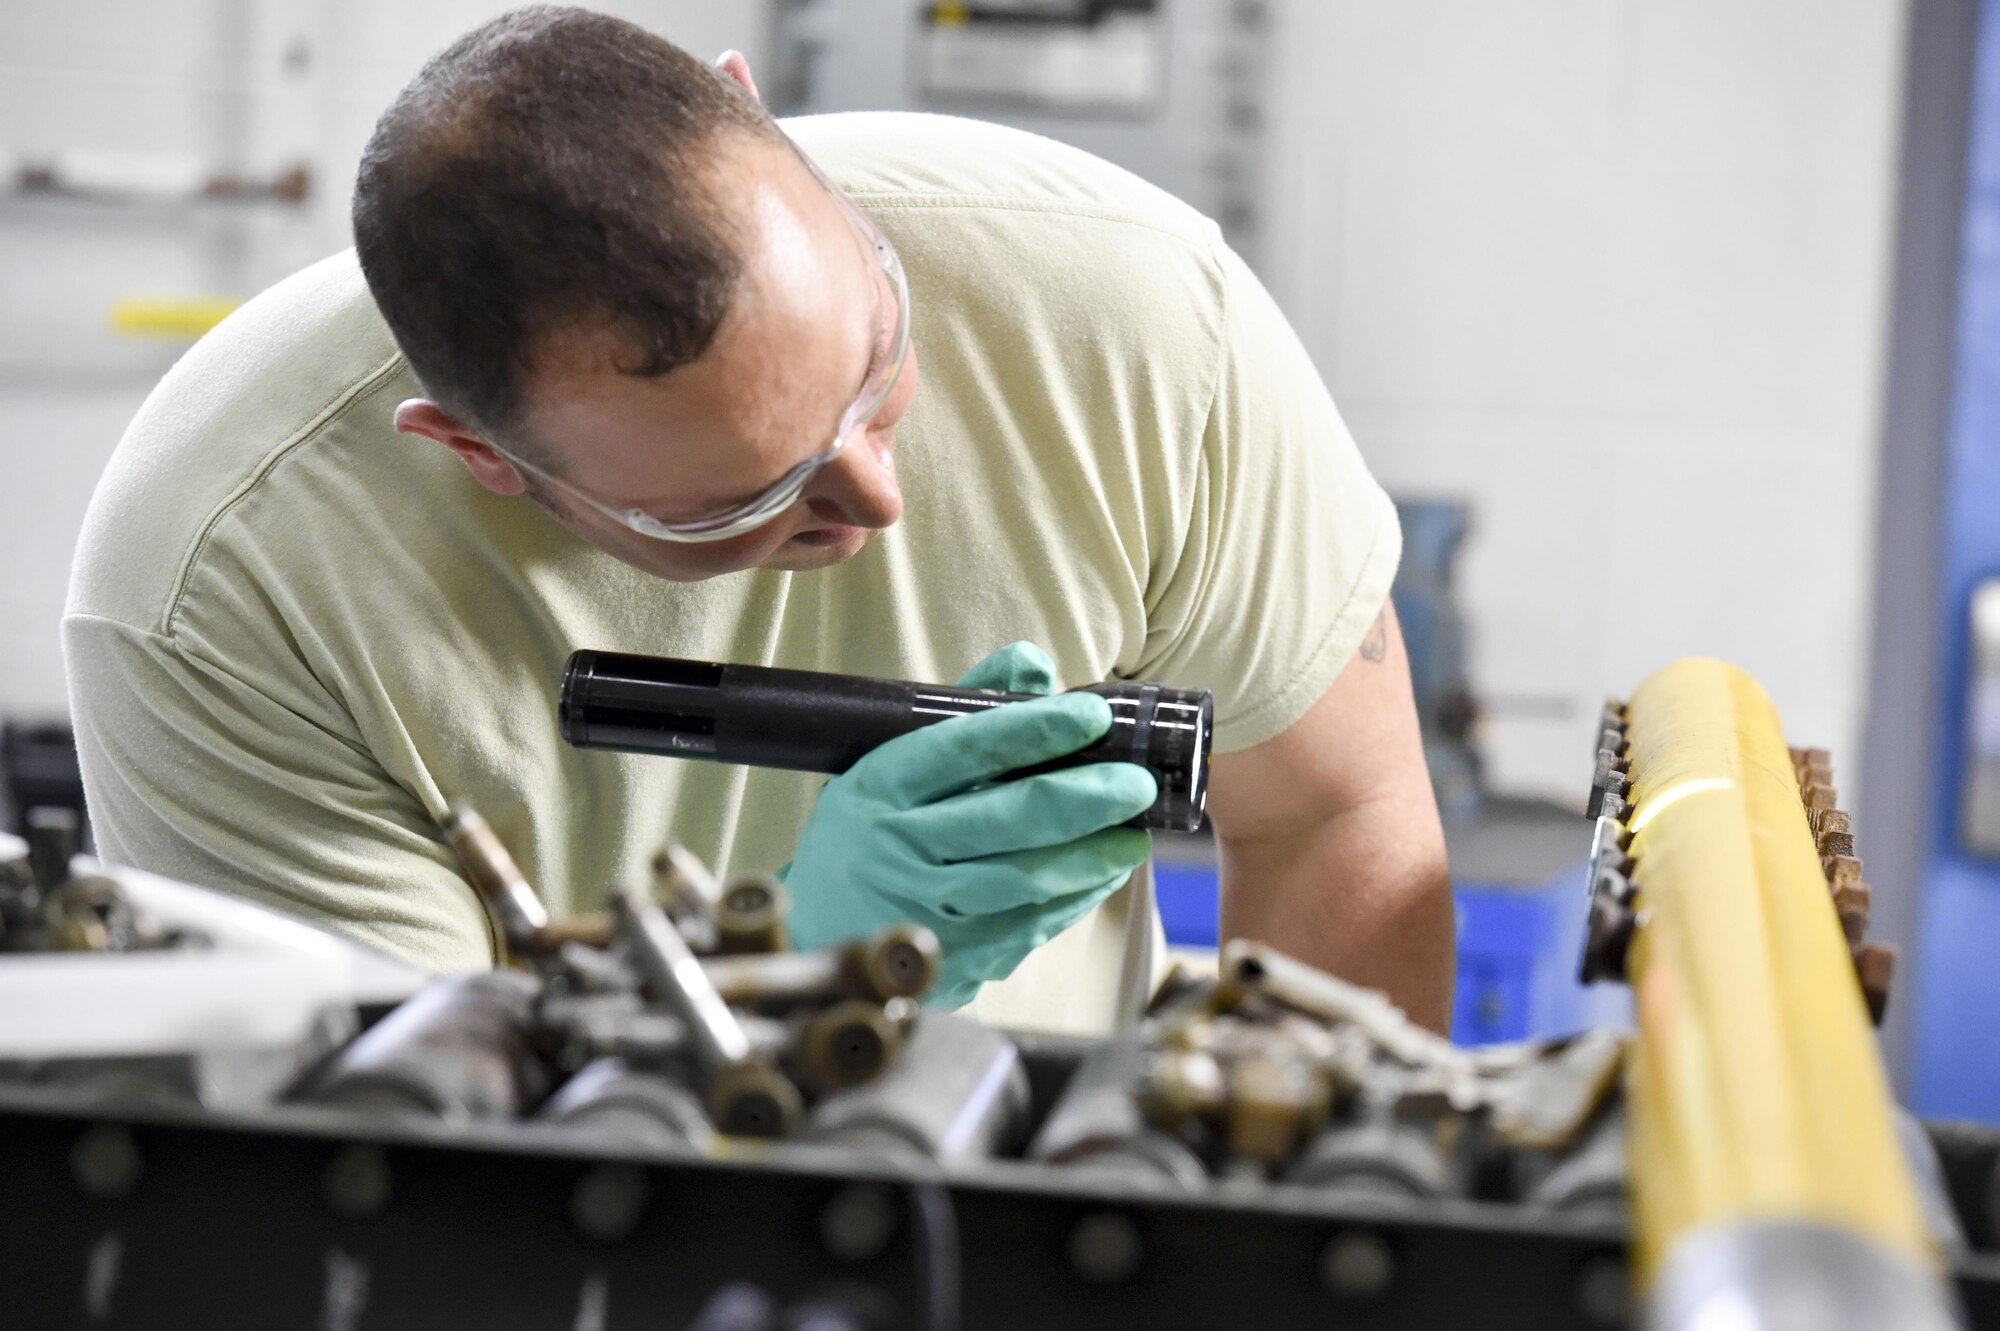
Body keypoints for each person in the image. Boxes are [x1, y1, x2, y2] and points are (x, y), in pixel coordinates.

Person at [64, 6, 1453, 1034]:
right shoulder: (221, 582)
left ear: (757, 113)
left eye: (875, 361)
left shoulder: (1131, 315)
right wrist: (786, 955)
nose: (877, 494)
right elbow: (400, 1153)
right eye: (749, 501)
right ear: (481, 459)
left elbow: (1340, 820)